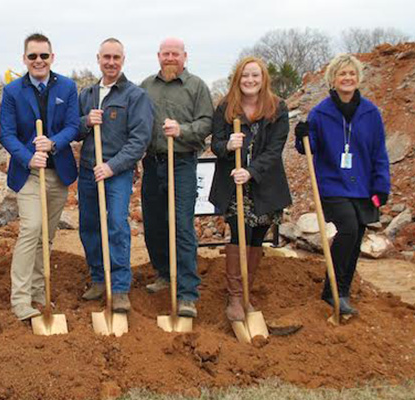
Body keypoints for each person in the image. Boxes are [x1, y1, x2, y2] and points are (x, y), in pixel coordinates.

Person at [295, 54, 390, 316]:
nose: (347, 78)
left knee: (357, 234)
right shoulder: (321, 112)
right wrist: (302, 136)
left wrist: (382, 186)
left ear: (358, 78)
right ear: (333, 79)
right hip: (332, 185)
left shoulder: (371, 113)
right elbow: (309, 147)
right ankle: (331, 291)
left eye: (351, 74)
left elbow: (379, 152)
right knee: (347, 228)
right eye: (342, 74)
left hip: (363, 185)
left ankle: (343, 290)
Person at [0, 33, 80, 321]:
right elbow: (6, 133)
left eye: (43, 56)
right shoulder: (12, 91)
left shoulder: (68, 87)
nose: (38, 61)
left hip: (58, 172)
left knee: (46, 237)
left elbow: (73, 125)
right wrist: (28, 156)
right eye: (32, 56)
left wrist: (53, 143)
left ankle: (38, 291)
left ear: (52, 58)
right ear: (24, 59)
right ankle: (20, 300)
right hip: (29, 172)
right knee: (31, 229)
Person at [209, 56, 292, 321]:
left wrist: (252, 171)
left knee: (257, 237)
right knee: (239, 234)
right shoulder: (225, 107)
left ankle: (246, 291)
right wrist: (228, 146)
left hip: (264, 184)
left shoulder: (278, 108)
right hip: (234, 186)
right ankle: (234, 298)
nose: (250, 80)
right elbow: (216, 145)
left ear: (263, 78)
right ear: (237, 78)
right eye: (245, 76)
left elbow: (274, 149)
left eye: (255, 76)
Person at [77, 38, 153, 312]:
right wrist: (86, 121)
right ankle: (99, 278)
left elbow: (139, 139)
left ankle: (119, 287)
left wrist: (112, 166)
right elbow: (73, 130)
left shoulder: (135, 96)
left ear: (123, 60)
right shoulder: (86, 95)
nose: (110, 62)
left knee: (117, 226)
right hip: (87, 170)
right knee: (89, 226)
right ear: (98, 58)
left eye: (116, 58)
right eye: (106, 57)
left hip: (116, 171)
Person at [140, 38, 213, 318]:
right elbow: (137, 122)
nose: (170, 58)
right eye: (166, 54)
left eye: (176, 54)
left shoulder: (196, 86)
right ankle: (164, 274)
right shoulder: (146, 86)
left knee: (181, 226)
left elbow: (207, 122)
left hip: (181, 163)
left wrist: (182, 130)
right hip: (153, 162)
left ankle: (186, 293)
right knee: (155, 224)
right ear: (159, 56)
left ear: (185, 56)